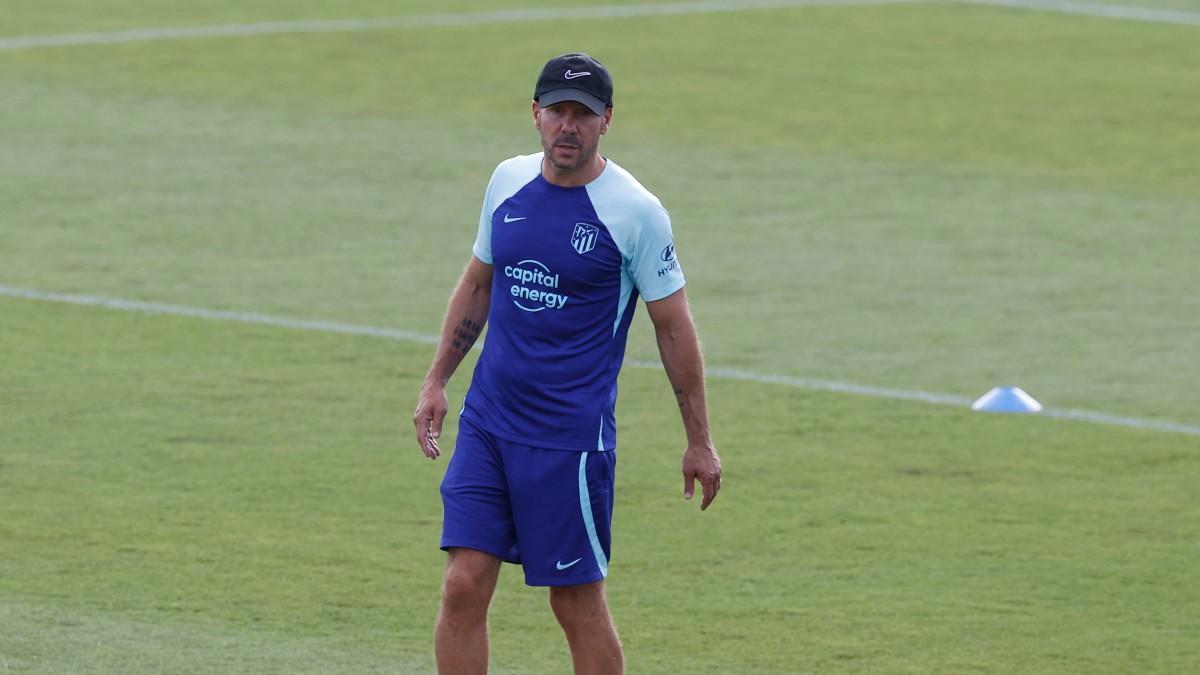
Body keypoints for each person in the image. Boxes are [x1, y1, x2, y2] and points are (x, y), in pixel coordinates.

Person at [412, 52, 722, 675]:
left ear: (607, 120)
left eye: (582, 114)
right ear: (535, 114)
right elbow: (479, 283)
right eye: (557, 112)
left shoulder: (634, 213)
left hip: (569, 443)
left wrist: (699, 441)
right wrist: (437, 380)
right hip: (488, 426)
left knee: (575, 604)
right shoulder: (507, 183)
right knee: (462, 585)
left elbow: (673, 329)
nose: (567, 127)